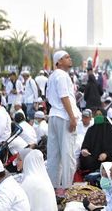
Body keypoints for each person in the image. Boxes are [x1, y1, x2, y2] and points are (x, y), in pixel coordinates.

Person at [46, 50, 82, 192]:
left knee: (54, 154)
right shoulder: (62, 76)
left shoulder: (53, 76)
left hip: (55, 115)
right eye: (66, 57)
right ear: (58, 62)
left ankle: (53, 187)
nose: (70, 59)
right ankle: (67, 187)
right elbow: (64, 97)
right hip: (64, 116)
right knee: (68, 154)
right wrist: (72, 117)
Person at [79, 109, 112, 173]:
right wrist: (85, 151)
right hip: (93, 160)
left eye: (100, 115)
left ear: (104, 116)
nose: (97, 117)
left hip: (107, 162)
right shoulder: (91, 130)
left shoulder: (111, 131)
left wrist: (106, 154)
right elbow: (85, 145)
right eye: (96, 115)